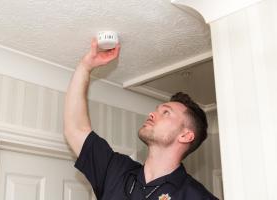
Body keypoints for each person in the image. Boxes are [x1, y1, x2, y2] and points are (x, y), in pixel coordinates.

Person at [64, 39, 218, 200]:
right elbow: (75, 129)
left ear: (186, 135)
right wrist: (85, 67)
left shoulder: (196, 196)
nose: (152, 114)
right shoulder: (116, 171)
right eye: (157, 110)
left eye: (166, 113)